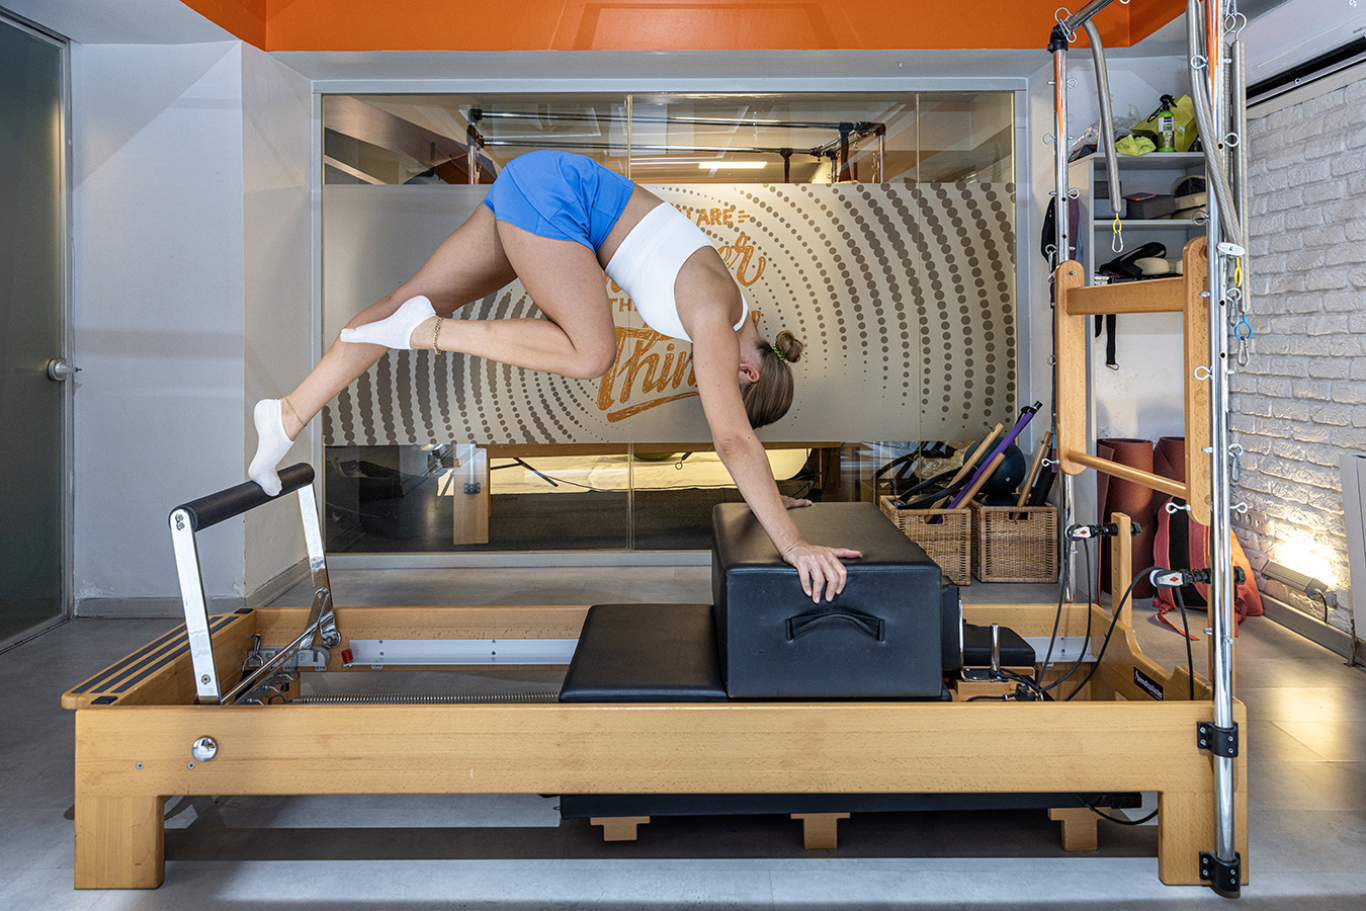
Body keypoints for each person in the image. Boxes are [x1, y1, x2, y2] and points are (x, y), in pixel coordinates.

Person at [249, 150, 858, 601]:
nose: (706, 388)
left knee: (406, 299)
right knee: (592, 355)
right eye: (724, 387)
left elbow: (737, 440)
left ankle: (288, 413)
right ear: (748, 370)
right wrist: (794, 544)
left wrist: (769, 497)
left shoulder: (729, 303)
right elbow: (734, 441)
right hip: (560, 194)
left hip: (545, 185)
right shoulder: (718, 320)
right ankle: (428, 333)